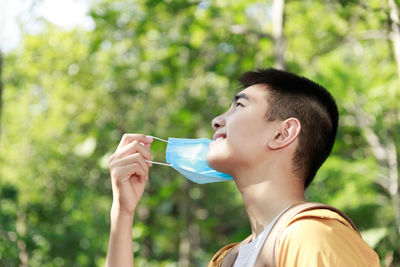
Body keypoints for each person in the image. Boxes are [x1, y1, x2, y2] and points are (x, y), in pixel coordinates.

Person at [105, 68, 380, 267]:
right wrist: (123, 211)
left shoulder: (312, 236)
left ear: (282, 134)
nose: (216, 121)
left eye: (239, 106)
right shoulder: (228, 259)